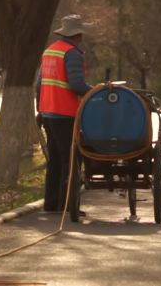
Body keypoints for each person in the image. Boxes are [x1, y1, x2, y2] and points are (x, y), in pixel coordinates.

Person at [36, 14, 92, 213]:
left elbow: (38, 85)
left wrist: (39, 110)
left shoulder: (50, 51)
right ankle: (66, 205)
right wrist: (96, 91)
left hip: (48, 113)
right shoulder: (72, 53)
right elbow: (76, 85)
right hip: (65, 114)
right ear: (78, 34)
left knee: (55, 160)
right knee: (71, 160)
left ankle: (50, 205)